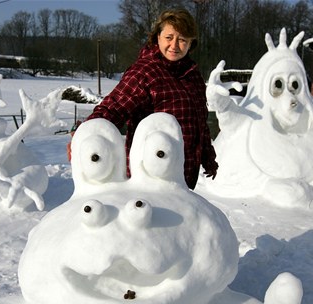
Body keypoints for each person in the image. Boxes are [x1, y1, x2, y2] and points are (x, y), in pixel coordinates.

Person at [84, 8, 217, 189]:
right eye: (169, 37)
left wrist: (208, 157)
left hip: (183, 175)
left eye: (182, 40)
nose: (175, 45)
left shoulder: (193, 76)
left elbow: (199, 122)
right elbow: (112, 108)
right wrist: (85, 135)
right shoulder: (145, 71)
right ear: (158, 37)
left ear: (191, 43)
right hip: (150, 178)